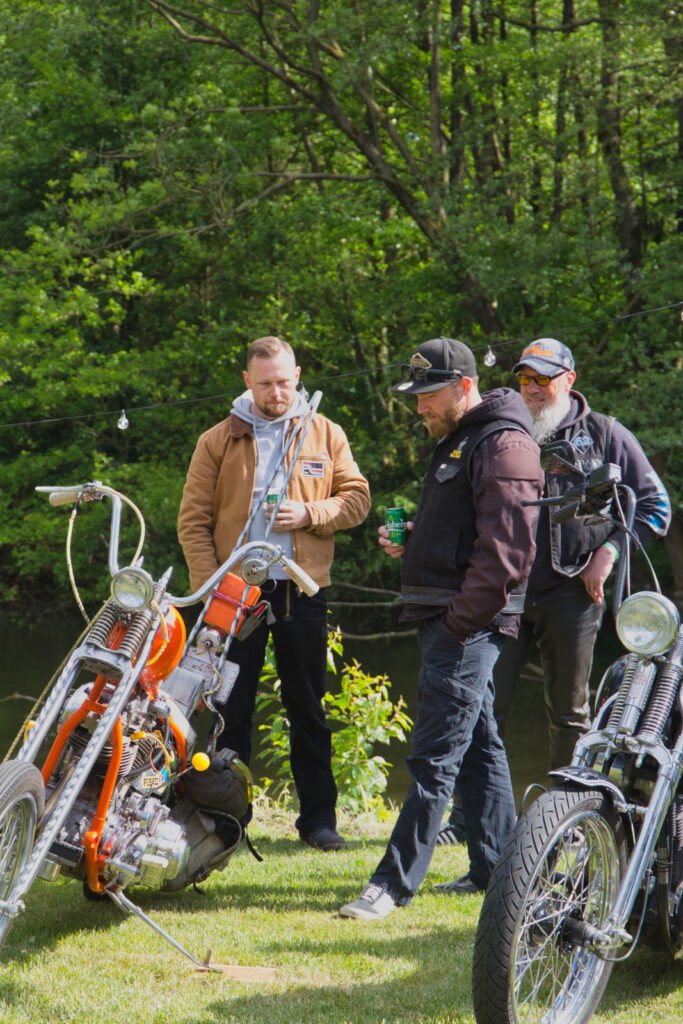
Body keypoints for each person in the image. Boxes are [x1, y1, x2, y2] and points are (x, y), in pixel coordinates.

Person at [339, 337, 543, 920]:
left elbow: (507, 554)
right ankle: (498, 869)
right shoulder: (463, 439)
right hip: (445, 614)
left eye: (428, 394)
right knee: (481, 748)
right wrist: (411, 545)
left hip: (465, 624)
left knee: (434, 757)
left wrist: (458, 625)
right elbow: (465, 534)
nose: (419, 407)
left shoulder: (503, 444)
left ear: (462, 386)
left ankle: (391, 885)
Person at [178, 335, 370, 851]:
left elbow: (357, 499)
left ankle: (318, 822)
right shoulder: (217, 439)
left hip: (301, 591)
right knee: (226, 710)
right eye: (265, 383)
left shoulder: (325, 433)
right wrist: (213, 585)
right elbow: (193, 522)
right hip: (235, 594)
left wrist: (311, 514)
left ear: (298, 374)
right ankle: (227, 823)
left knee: (306, 706)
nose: (277, 392)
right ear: (247, 381)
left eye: (285, 381)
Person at [490, 337, 672, 770]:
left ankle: (565, 816)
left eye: (544, 379)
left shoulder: (607, 433)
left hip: (573, 593)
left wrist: (608, 552)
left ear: (569, 380)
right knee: (486, 711)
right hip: (503, 592)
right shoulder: (502, 430)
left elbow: (656, 506)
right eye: (525, 378)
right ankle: (472, 821)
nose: (532, 388)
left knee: (570, 717)